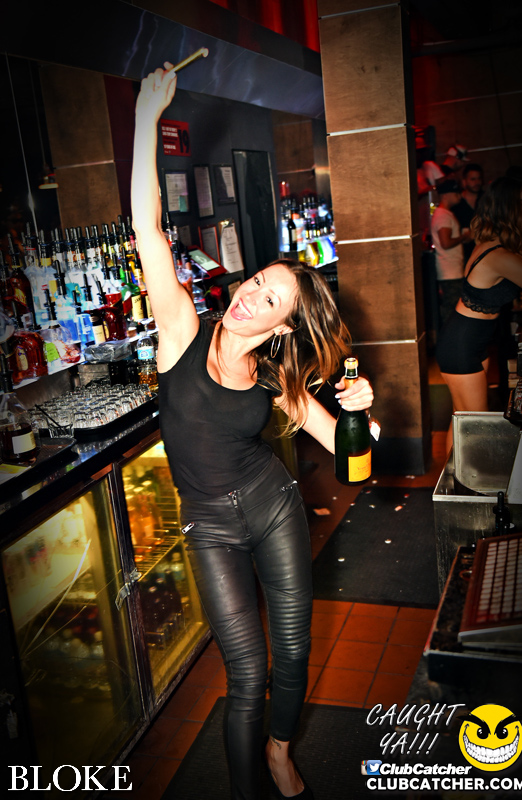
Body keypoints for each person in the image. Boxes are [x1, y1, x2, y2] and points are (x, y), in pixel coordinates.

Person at [131, 63, 374, 800]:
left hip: (273, 508)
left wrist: (360, 415)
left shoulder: (275, 376)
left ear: (284, 325)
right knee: (245, 675)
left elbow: (354, 461)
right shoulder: (182, 332)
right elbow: (147, 229)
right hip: (209, 524)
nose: (248, 297)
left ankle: (280, 753)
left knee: (294, 652)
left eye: (269, 298)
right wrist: (146, 116)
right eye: (255, 282)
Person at [435, 176, 522, 451]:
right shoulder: (499, 255)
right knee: (473, 424)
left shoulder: (502, 244)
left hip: (471, 340)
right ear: (506, 208)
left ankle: (452, 478)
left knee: (461, 420)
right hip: (462, 344)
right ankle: (461, 477)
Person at [431, 179, 473, 324]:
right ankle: (449, 337)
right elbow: (446, 243)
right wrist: (464, 237)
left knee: (454, 309)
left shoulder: (445, 214)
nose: (459, 196)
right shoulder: (443, 215)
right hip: (449, 272)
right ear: (445, 195)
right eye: (455, 193)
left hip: (452, 271)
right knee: (452, 311)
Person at [451, 163, 484, 265]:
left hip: (483, 251)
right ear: (464, 181)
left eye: (479, 179)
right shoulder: (457, 202)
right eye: (473, 179)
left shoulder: (486, 199)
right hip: (463, 254)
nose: (476, 182)